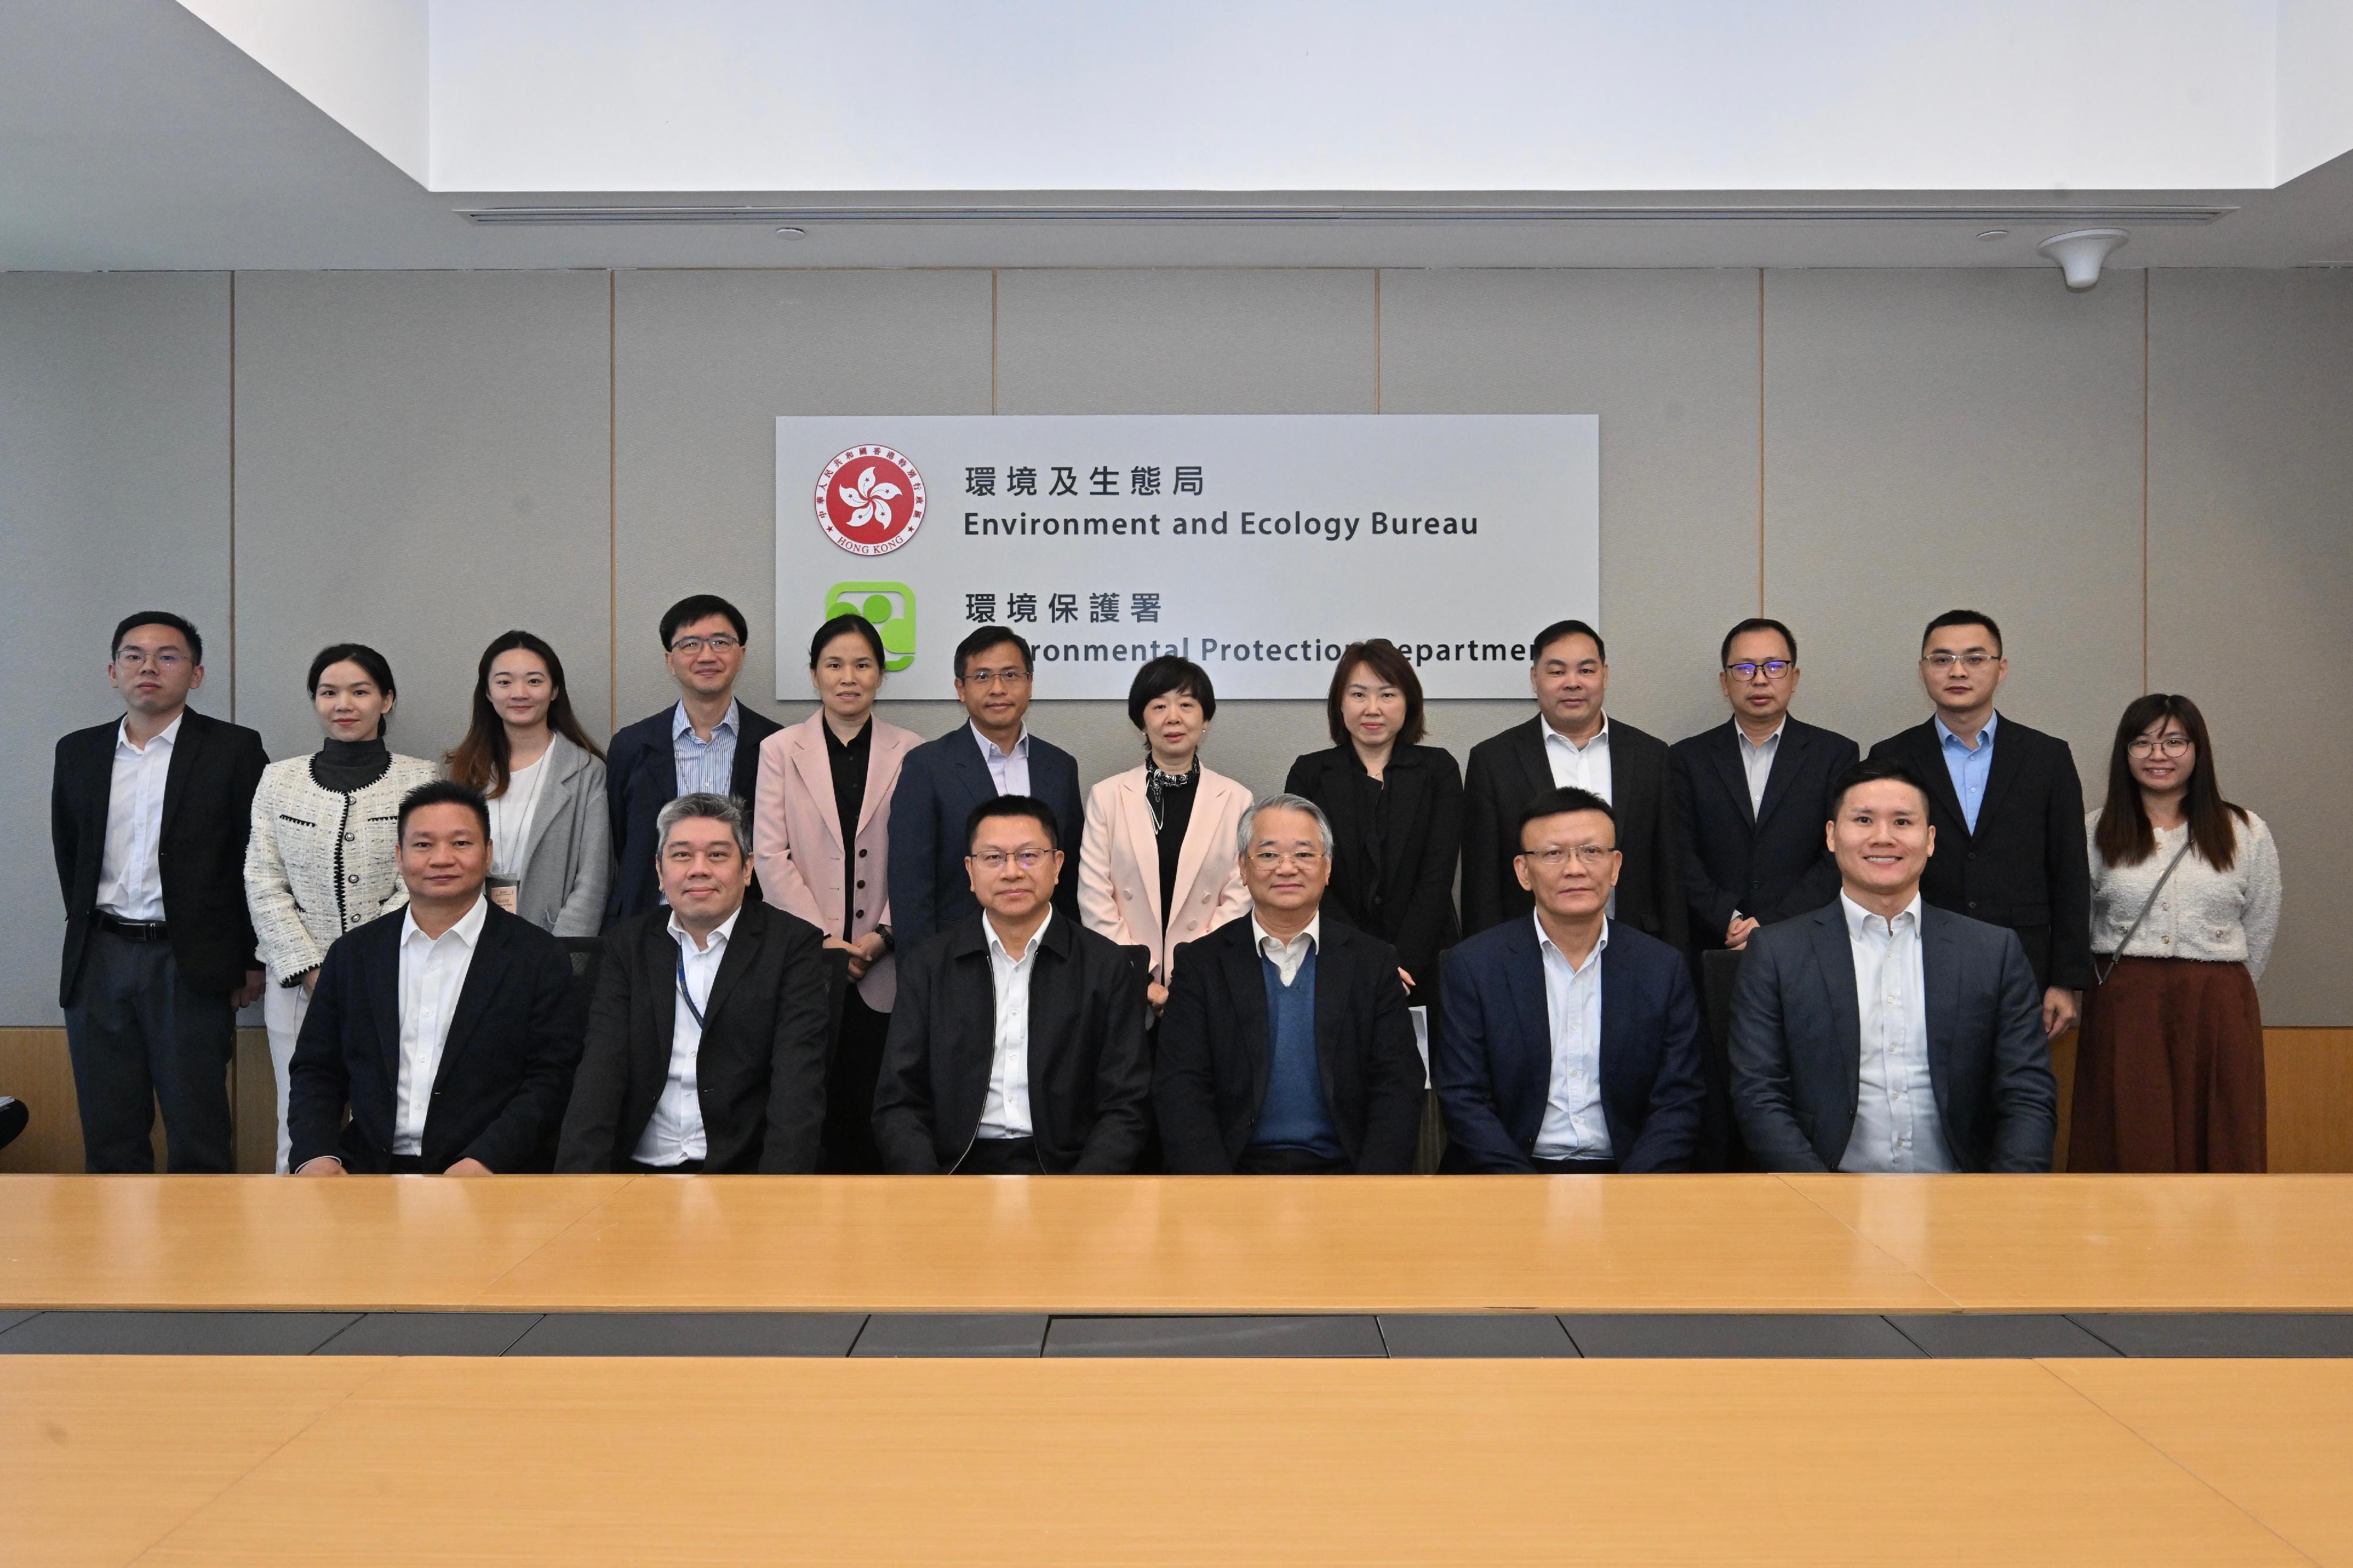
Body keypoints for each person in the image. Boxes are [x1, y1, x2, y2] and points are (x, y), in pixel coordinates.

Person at [1727, 757, 2057, 1173]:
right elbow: (1759, 1095)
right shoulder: (1776, 952)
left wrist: (2002, 1203)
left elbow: (2027, 1094)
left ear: (1931, 839)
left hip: (1964, 1198)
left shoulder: (1992, 952)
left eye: (1903, 822)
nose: (1883, 838)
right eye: (1863, 820)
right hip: (1823, 1199)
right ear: (1831, 836)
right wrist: (1820, 1202)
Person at [52, 612, 268, 1172]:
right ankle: (118, 1258)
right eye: (133, 655)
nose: (148, 667)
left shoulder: (234, 750)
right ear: (112, 671)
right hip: (98, 957)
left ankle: (201, 1259)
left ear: (195, 675)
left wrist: (250, 958)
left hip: (188, 960)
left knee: (198, 1130)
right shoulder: (77, 752)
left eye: (168, 656)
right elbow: (70, 854)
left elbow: (256, 860)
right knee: (109, 1131)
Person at [287, 782, 579, 1175]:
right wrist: (317, 1155)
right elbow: (317, 1068)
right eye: (423, 845)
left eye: (461, 843)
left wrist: (486, 1160)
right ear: (399, 856)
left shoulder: (539, 957)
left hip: (492, 1178)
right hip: (368, 1175)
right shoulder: (355, 954)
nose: (442, 859)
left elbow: (551, 1078)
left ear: (488, 853)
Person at [872, 795, 1151, 1174]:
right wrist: (929, 1190)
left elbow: (1126, 1105)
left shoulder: (1107, 965)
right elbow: (899, 1102)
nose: (1011, 872)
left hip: (1069, 1172)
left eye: (1028, 855)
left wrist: (1083, 1193)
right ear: (970, 873)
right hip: (954, 1169)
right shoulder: (929, 965)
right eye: (993, 858)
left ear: (1057, 865)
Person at [1668, 617, 1859, 1169]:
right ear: (1724, 680)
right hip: (1712, 946)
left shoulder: (1834, 754)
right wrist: (1726, 917)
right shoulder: (1686, 758)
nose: (1760, 679)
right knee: (1718, 1080)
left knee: (1799, 1077)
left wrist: (1772, 924)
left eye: (1774, 666)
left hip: (1805, 945)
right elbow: (1677, 853)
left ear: (1794, 678)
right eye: (1744, 668)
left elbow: (1839, 855)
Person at [559, 793, 832, 1173]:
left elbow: (797, 1088)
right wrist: (575, 1189)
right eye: (682, 855)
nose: (698, 869)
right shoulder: (628, 945)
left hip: (742, 1175)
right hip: (640, 1172)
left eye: (718, 855)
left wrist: (778, 1200)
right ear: (659, 870)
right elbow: (600, 1075)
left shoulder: (792, 946)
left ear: (748, 868)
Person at [1434, 788, 1704, 1172]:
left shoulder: (1661, 968)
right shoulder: (1474, 966)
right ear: (1523, 872)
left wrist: (1631, 1192)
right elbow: (1463, 1099)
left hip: (1630, 1175)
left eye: (1592, 851)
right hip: (1508, 1176)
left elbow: (1679, 1101)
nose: (1574, 868)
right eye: (1553, 853)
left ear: (1615, 867)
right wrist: (1527, 1195)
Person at [1154, 794, 1425, 1174]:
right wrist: (1214, 1195)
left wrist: (1371, 1193)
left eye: (1303, 854)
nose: (1286, 868)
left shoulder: (1373, 963)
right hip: (1233, 1176)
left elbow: (1398, 1088)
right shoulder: (1201, 966)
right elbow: (1181, 1091)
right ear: (1243, 869)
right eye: (1267, 855)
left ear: (1327, 868)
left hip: (1347, 1176)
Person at [245, 643, 439, 1173]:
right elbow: (263, 878)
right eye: (329, 693)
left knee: (390, 1126)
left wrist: (361, 966)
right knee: (302, 1124)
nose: (343, 704)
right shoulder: (278, 780)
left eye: (360, 691)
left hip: (396, 979)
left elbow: (423, 879)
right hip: (297, 987)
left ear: (387, 699)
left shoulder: (423, 780)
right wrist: (310, 970)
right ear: (315, 701)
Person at [2072, 695, 2281, 1172]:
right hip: (2126, 1001)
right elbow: (2078, 923)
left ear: (2197, 750)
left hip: (2218, 1001)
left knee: (2223, 1128)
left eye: (2173, 742)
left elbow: (2261, 923)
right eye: (2141, 743)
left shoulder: (2246, 830)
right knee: (2128, 1129)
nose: (2158, 755)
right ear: (2124, 754)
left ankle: (2218, 1244)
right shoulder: (2094, 830)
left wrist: (2222, 987)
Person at [1870, 609, 2092, 1038]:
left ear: (2001, 669)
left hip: (2024, 961)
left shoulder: (2047, 757)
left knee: (2015, 1094)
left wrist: (2066, 979)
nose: (1957, 671)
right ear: (1923, 670)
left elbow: (2069, 871)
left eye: (1975, 659)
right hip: (1916, 954)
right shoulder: (1890, 757)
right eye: (1941, 659)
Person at [752, 613, 921, 1171]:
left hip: (886, 962)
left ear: (880, 675)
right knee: (807, 1100)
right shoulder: (779, 750)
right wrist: (823, 941)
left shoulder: (912, 751)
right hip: (805, 958)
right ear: (813, 674)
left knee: (876, 1102)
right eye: (834, 665)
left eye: (862, 665)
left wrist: (882, 936)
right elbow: (770, 855)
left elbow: (920, 859)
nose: (848, 677)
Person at [1461, 619, 1685, 949]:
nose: (1572, 683)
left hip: (1634, 945)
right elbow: (1482, 885)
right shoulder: (1493, 760)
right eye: (1557, 672)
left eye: (1586, 670)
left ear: (1605, 676)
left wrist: (1675, 954)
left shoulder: (1652, 756)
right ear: (1535, 679)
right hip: (1526, 951)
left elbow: (1669, 872)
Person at [1282, 639, 1463, 998]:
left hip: (1423, 961)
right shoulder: (1310, 773)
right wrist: (1365, 959)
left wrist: (1402, 961)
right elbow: (1308, 872)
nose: (1373, 708)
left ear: (1408, 702)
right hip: (1334, 955)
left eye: (1388, 694)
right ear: (1340, 703)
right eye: (1359, 695)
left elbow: (1437, 877)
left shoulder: (1438, 769)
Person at [887, 626, 1085, 955]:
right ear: (960, 689)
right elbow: (911, 888)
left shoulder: (1060, 767)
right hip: (958, 957)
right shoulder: (927, 767)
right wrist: (922, 982)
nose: (998, 688)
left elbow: (1070, 876)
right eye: (982, 676)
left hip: (1047, 955)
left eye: (1010, 674)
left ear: (1030, 683)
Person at [1078, 656, 1254, 1010]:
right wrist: (1139, 977)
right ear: (1141, 721)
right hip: (1125, 981)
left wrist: (1190, 974)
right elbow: (1095, 896)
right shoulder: (1108, 796)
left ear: (1206, 719)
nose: (1173, 717)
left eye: (1187, 705)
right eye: (1159, 706)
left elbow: (1239, 896)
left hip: (1205, 982)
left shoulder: (1236, 799)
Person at [605, 594, 781, 926]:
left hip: (750, 928)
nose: (707, 655)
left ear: (741, 655)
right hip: (648, 926)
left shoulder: (776, 744)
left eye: (720, 642)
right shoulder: (631, 747)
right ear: (670, 660)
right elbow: (621, 842)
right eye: (690, 644)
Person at [444, 630, 609, 936]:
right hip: (470, 937)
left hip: (553, 939)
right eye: (504, 682)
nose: (519, 693)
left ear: (555, 690)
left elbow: (593, 878)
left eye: (534, 681)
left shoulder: (586, 770)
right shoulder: (464, 770)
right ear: (488, 692)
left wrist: (564, 954)